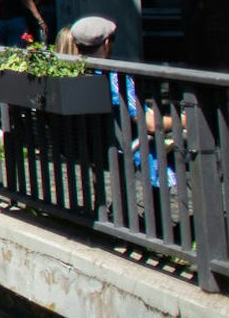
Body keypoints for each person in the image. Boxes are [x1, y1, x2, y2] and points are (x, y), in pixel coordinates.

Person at [71, 15, 176, 190]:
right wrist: (182, 120)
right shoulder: (114, 78)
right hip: (123, 145)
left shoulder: (72, 72)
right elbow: (148, 124)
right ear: (106, 43)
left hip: (91, 144)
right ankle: (158, 211)